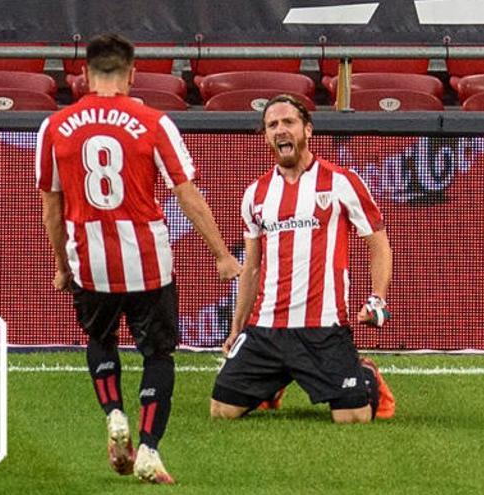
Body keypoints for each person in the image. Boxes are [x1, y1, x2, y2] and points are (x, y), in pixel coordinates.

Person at [36, 33, 241, 484]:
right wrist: (222, 255)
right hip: (146, 258)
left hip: (89, 258)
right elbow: (186, 194)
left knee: (101, 340)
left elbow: (52, 206)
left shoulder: (54, 127)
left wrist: (61, 264)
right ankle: (148, 449)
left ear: (84, 75)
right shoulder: (154, 122)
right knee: (158, 354)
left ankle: (113, 412)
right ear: (132, 74)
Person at [210, 94, 395, 423]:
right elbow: (251, 268)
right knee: (222, 411)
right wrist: (237, 327)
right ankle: (270, 384)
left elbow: (379, 244)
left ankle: (365, 374)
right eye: (272, 125)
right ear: (266, 136)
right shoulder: (255, 194)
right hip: (266, 329)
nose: (280, 130)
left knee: (353, 418)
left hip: (323, 329)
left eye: (288, 122)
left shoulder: (341, 182)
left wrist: (377, 297)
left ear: (307, 130)